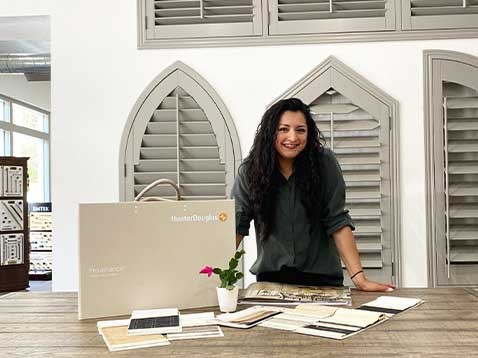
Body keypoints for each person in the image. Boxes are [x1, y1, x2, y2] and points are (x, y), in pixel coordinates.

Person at [231, 98, 394, 292]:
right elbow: (236, 227)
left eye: (300, 130)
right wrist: (205, 278)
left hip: (323, 282)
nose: (292, 137)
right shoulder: (249, 171)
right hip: (271, 283)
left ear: (308, 133)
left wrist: (360, 279)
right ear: (269, 132)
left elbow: (338, 221)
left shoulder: (325, 164)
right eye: (283, 129)